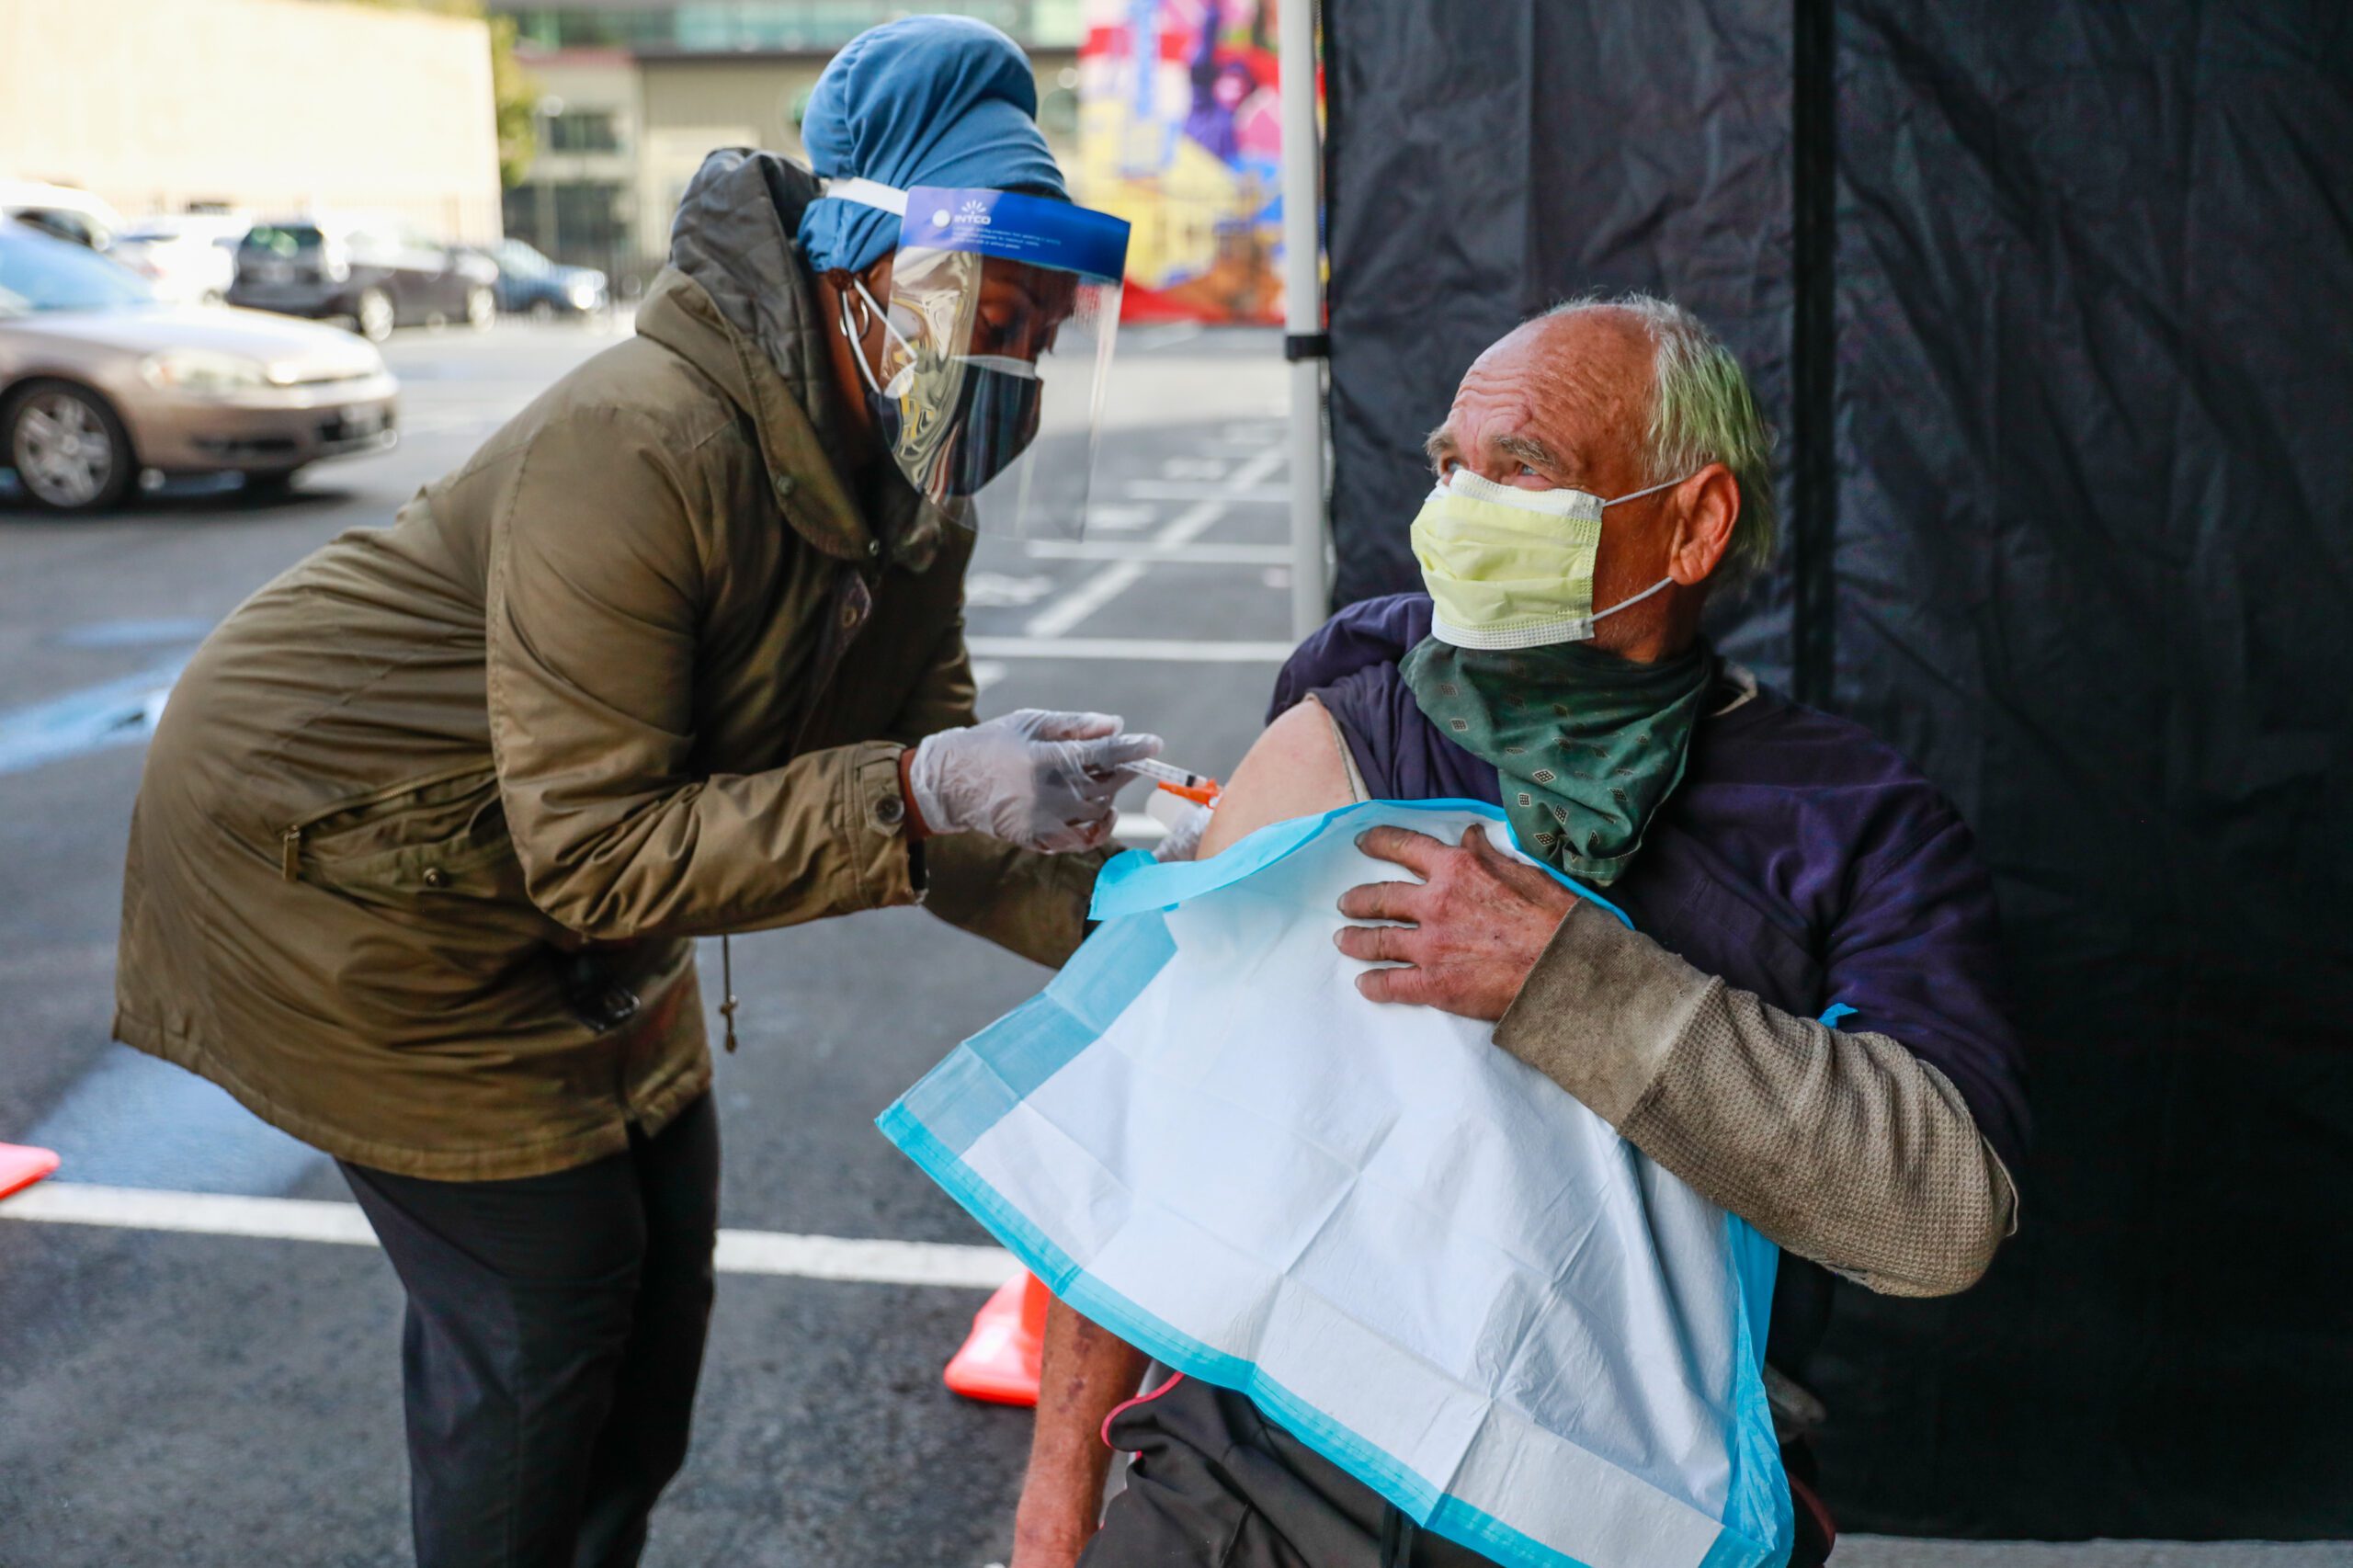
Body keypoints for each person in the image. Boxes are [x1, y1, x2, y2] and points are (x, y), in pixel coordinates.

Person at [110, 18, 1154, 1568]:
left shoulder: (913, 491)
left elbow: (931, 778)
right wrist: (928, 789)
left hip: (554, 874)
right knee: (547, 1324)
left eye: (1046, 334)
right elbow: (609, 850)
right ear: (862, 274)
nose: (1017, 368)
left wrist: (1151, 905)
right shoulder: (640, 442)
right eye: (993, 317)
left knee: (657, 1315)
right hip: (335, 863)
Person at [1009, 295, 2029, 1568]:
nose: (1461, 506)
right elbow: (1155, 1130)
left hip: (1611, 1506)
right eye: (1451, 465)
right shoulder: (1364, 712)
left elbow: (1937, 1212)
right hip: (1264, 1474)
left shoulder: (1845, 821)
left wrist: (1580, 983)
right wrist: (1054, 1521)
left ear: (1694, 521)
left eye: (1525, 467)